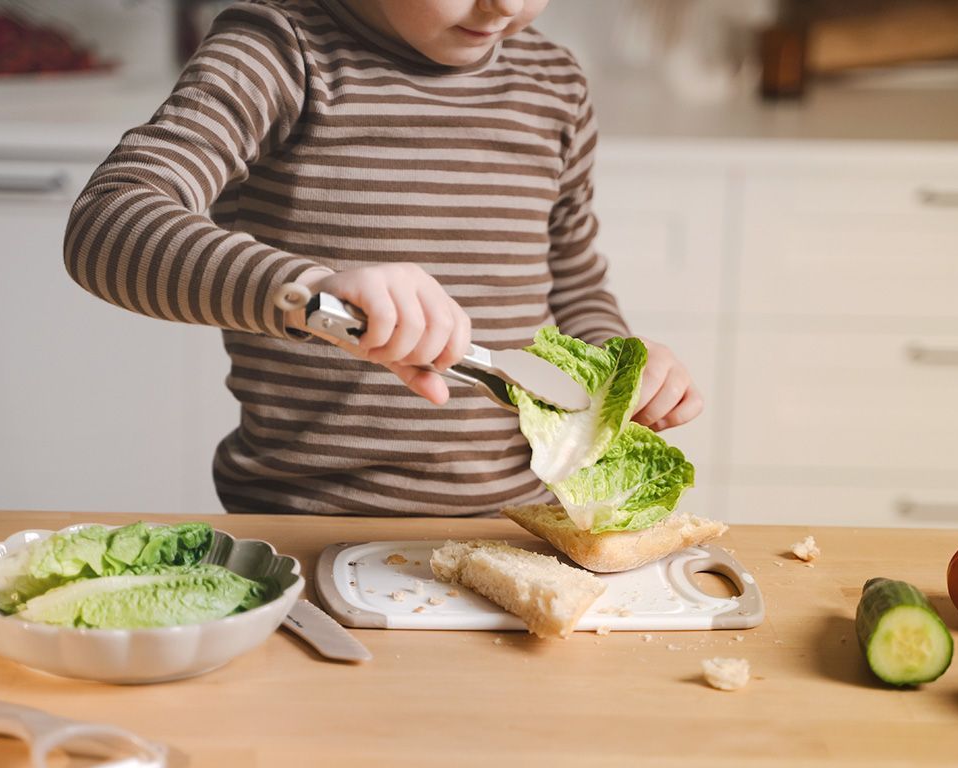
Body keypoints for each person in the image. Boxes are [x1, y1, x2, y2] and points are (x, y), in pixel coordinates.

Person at [64, 0, 703, 517]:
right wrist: (315, 295)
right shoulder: (278, 52)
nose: (504, 5)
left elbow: (573, 277)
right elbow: (108, 221)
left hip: (521, 519)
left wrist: (622, 367)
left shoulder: (554, 83)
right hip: (305, 529)